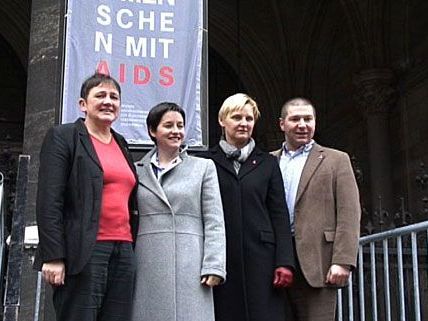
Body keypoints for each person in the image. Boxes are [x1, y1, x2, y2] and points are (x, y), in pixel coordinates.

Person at [34, 73, 138, 321]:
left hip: (123, 250)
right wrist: (53, 256)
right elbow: (50, 200)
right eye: (100, 95)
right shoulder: (64, 137)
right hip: (84, 251)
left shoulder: (121, 143)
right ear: (83, 104)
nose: (108, 101)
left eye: (114, 97)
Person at [199, 93, 295, 321]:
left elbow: (279, 213)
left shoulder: (269, 163)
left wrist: (284, 261)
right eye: (236, 117)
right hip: (222, 256)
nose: (243, 123)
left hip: (261, 257)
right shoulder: (205, 161)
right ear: (222, 121)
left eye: (249, 119)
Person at [131, 102, 226, 321]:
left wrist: (214, 265)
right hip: (147, 261)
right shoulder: (136, 170)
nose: (176, 131)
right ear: (152, 131)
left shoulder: (203, 167)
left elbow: (214, 220)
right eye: (168, 125)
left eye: (180, 125)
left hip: (191, 261)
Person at [271, 97, 361, 321]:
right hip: (275, 260)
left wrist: (343, 261)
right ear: (282, 124)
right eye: (295, 119)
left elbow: (349, 213)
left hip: (320, 263)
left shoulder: (336, 160)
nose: (302, 124)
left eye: (308, 119)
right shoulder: (268, 161)